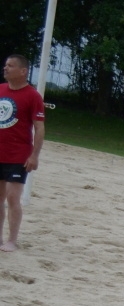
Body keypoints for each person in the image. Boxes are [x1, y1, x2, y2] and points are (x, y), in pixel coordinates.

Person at [0, 54, 46, 253]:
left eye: (10, 66)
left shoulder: (32, 96)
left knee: (12, 197)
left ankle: (12, 240)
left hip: (18, 155)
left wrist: (34, 155)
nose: (6, 68)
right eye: (5, 65)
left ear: (23, 71)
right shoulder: (1, 90)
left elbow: (39, 127)